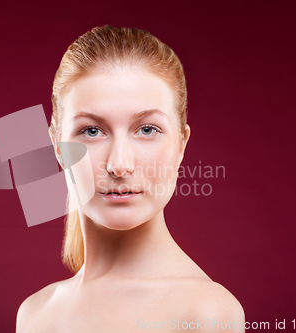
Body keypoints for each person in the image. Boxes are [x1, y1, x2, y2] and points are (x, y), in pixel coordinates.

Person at [16, 25, 245, 332]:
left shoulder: (207, 314)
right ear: (58, 147)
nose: (119, 164)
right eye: (91, 131)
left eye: (147, 129)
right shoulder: (34, 314)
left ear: (181, 145)